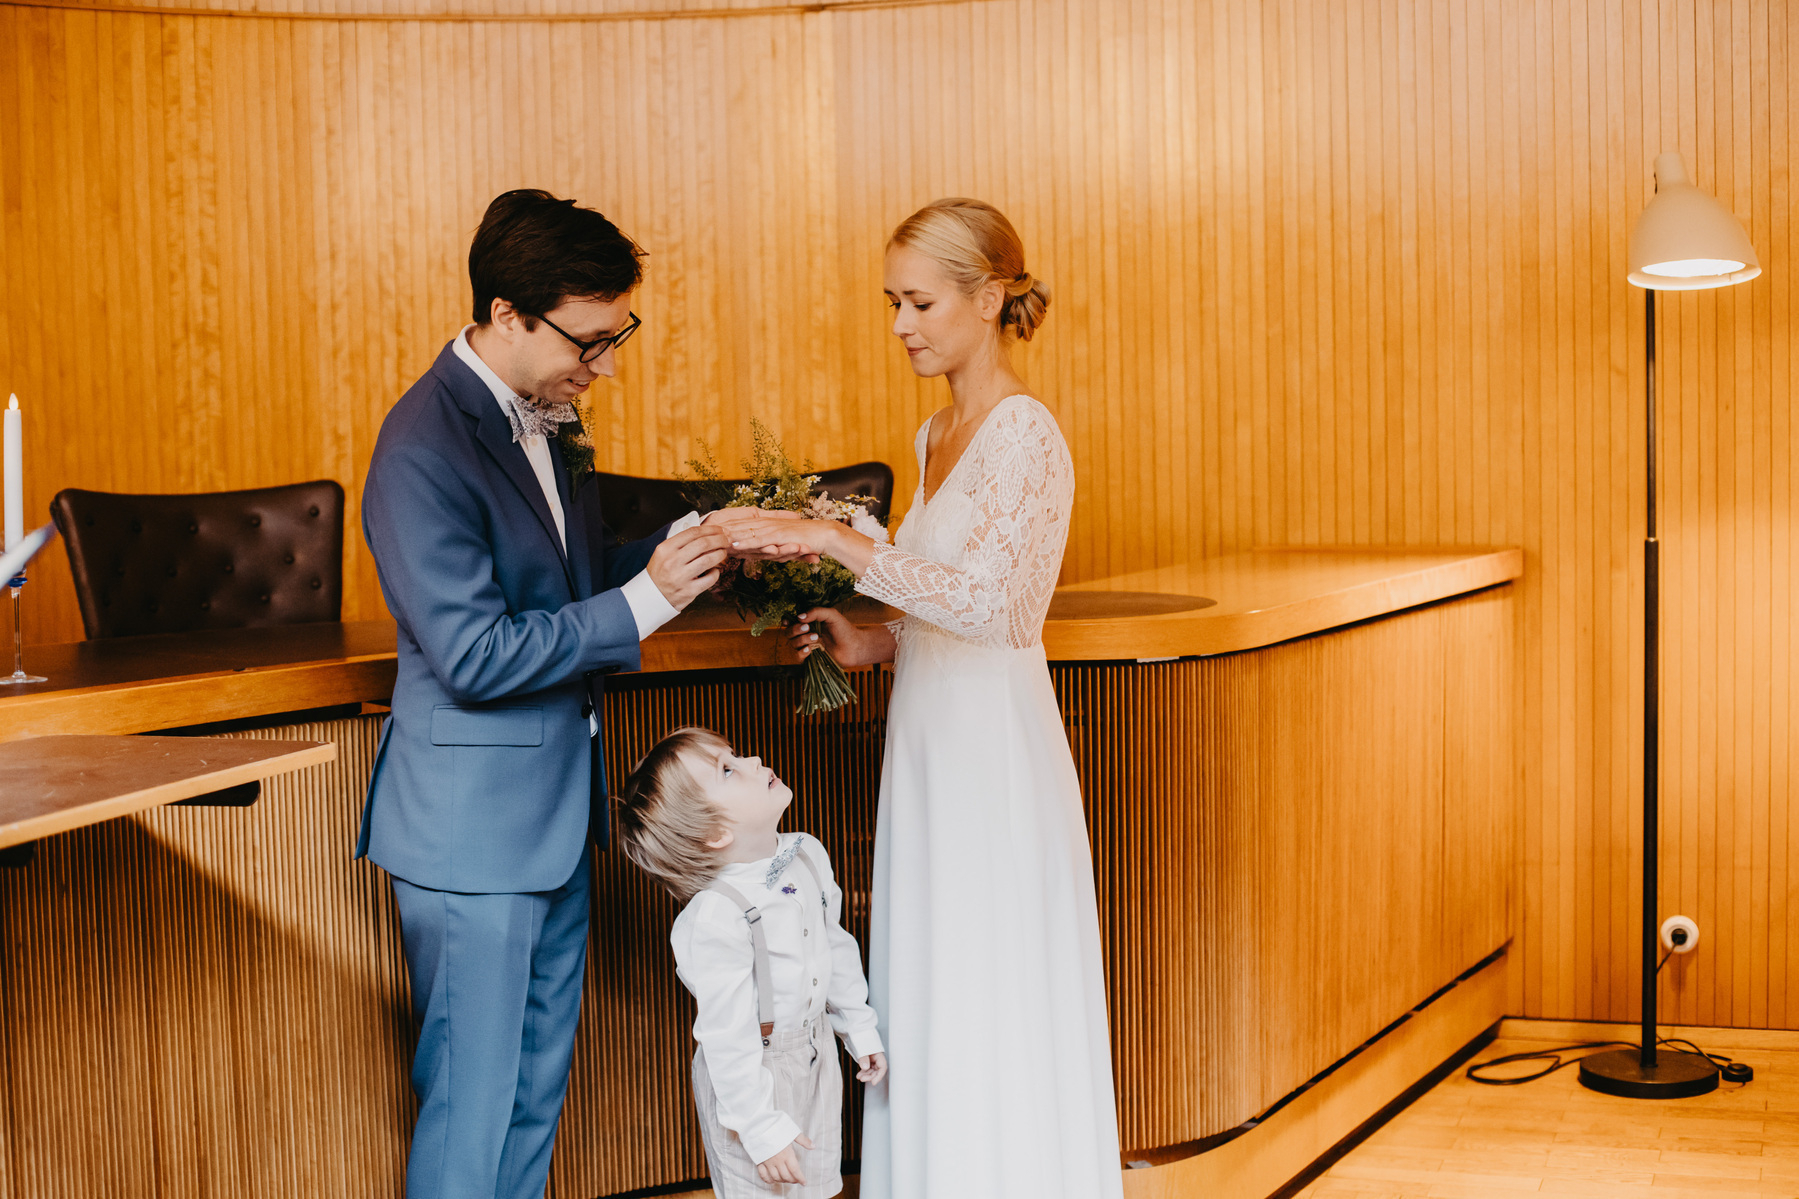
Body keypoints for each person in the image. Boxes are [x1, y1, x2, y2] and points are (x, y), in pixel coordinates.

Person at [356, 189, 802, 1199]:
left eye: (613, 339)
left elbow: (564, 578)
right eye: (588, 342)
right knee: (469, 1109)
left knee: (529, 1097)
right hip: (471, 840)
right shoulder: (420, 444)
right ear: (507, 314)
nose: (600, 368)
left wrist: (686, 545)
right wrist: (646, 597)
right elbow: (473, 653)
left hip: (551, 821)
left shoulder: (550, 419)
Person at [726, 197, 1123, 1198]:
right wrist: (875, 636)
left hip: (990, 751)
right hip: (927, 741)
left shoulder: (1021, 432)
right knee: (936, 978)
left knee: (990, 975)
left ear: (987, 299)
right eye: (892, 302)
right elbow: (943, 601)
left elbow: (1002, 610)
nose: (901, 324)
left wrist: (835, 540)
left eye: (920, 301)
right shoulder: (931, 430)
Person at [615, 727, 887, 1199]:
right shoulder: (716, 916)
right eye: (727, 769)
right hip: (751, 1073)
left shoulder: (808, 854)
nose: (754, 759)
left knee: (816, 1187)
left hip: (816, 1051)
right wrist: (758, 1126)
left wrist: (857, 1028)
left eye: (735, 756)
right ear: (717, 834)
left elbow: (833, 945)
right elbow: (726, 1035)